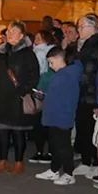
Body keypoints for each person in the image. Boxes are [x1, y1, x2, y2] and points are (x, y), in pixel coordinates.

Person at [0, 21, 40, 175]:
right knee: (2, 131)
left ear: (21, 35)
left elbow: (34, 76)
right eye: (8, 31)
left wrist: (23, 91)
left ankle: (19, 162)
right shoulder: (2, 52)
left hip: (17, 99)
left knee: (18, 132)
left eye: (13, 31)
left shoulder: (27, 54)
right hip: (0, 98)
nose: (9, 34)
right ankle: (3, 160)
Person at [34, 46, 83, 186]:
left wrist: (45, 96)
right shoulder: (64, 74)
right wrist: (44, 95)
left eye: (51, 62)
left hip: (62, 115)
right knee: (55, 144)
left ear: (59, 58)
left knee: (63, 146)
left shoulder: (67, 75)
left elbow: (64, 97)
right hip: (55, 114)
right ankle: (54, 169)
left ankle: (69, 173)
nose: (50, 66)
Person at [74, 14, 98, 176]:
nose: (79, 30)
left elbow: (90, 69)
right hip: (84, 92)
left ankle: (92, 162)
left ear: (92, 27)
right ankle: (86, 160)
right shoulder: (86, 44)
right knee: (83, 127)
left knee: (90, 129)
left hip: (91, 93)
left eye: (82, 27)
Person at [28, 30, 55, 164]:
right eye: (36, 38)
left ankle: (48, 152)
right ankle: (40, 151)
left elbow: (45, 74)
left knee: (47, 123)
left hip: (47, 91)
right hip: (39, 91)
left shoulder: (50, 53)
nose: (36, 41)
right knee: (39, 123)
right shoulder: (35, 52)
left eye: (40, 38)